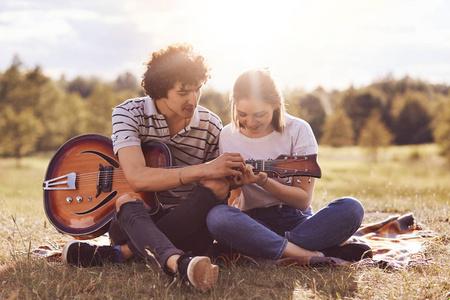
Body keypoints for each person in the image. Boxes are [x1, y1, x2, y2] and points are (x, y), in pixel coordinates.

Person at [62, 44, 245, 292]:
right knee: (127, 200)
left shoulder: (211, 124)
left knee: (217, 185)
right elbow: (137, 177)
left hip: (189, 221)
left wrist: (237, 181)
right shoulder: (128, 113)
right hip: (134, 221)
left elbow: (221, 185)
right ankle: (178, 262)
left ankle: (125, 254)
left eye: (197, 89)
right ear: (160, 91)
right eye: (183, 92)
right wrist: (204, 169)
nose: (193, 99)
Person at [206, 69, 371, 264]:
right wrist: (233, 186)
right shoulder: (227, 135)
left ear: (276, 104)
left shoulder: (299, 130)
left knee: (351, 208)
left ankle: (268, 249)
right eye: (242, 114)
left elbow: (302, 201)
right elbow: (232, 199)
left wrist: (264, 182)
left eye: (259, 114)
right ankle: (311, 254)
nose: (250, 122)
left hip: (296, 220)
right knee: (218, 217)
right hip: (253, 222)